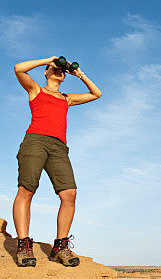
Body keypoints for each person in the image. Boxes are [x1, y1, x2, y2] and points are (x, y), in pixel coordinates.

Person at [11, 56, 102, 267]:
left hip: (59, 147)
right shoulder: (36, 90)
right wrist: (48, 60)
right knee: (27, 190)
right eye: (55, 68)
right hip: (35, 141)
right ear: (46, 72)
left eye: (61, 69)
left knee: (69, 194)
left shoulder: (66, 98)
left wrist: (79, 74)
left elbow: (96, 93)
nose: (59, 70)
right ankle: (24, 245)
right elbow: (18, 68)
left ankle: (60, 247)